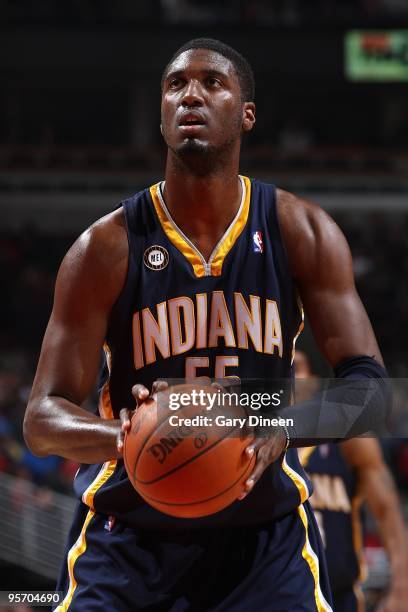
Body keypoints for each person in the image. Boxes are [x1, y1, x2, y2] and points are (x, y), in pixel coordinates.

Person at [23, 38, 388, 611]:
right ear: (162, 113)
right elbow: (42, 418)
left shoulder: (301, 231)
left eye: (211, 83)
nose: (190, 94)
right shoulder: (105, 247)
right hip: (130, 542)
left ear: (247, 114)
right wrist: (129, 433)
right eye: (175, 85)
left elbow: (371, 393)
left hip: (262, 541)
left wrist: (278, 424)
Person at [295, 351, 408, 612]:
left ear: (313, 381)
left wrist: (402, 585)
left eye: (297, 368)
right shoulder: (246, 439)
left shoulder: (348, 438)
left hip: (340, 598)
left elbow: (386, 509)